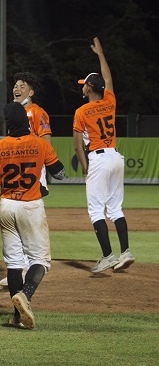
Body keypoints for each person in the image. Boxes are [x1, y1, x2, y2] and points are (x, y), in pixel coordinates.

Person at [0, 101, 65, 329]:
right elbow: (60, 173)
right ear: (26, 121)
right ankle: (26, 295)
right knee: (40, 260)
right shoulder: (40, 144)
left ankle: (17, 316)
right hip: (30, 205)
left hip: (6, 206)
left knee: (14, 263)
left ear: (8, 125)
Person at [73, 37, 135, 273]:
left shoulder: (82, 111)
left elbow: (78, 146)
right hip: (116, 157)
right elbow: (108, 78)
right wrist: (100, 54)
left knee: (96, 210)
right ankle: (126, 251)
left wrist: (85, 166)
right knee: (116, 208)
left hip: (98, 158)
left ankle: (108, 256)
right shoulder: (109, 100)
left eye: (84, 84)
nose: (82, 86)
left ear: (89, 87)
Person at [0, 71, 52, 287]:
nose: (16, 89)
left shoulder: (38, 112)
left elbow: (46, 143)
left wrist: (42, 175)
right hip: (19, 170)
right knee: (17, 220)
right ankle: (19, 267)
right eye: (15, 85)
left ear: (31, 91)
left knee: (25, 218)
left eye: (22, 86)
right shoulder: (15, 111)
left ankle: (29, 267)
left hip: (33, 171)